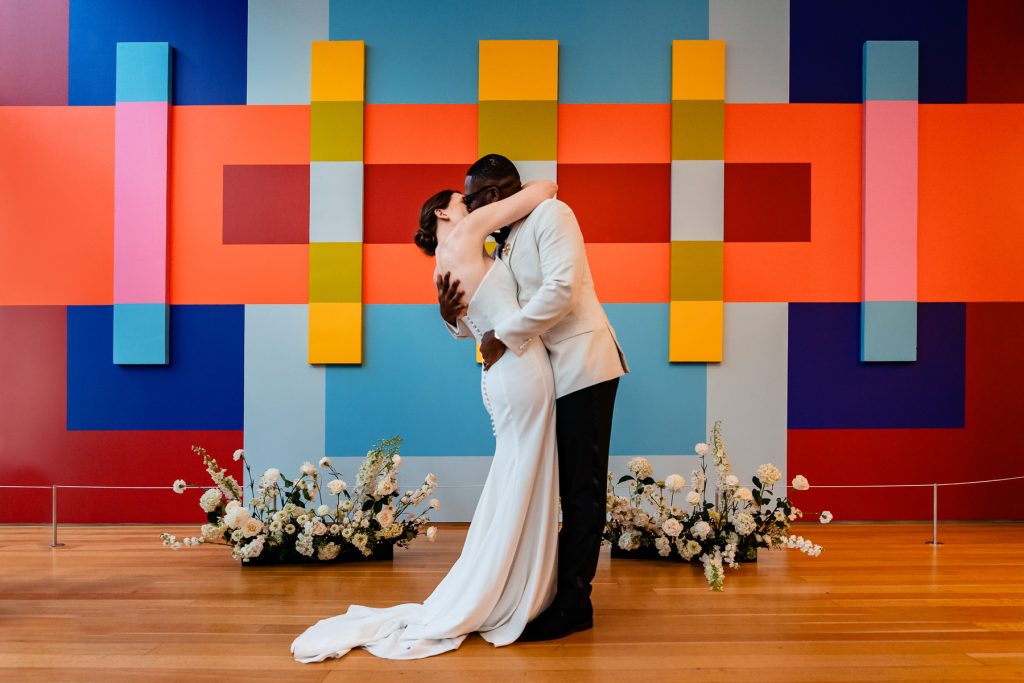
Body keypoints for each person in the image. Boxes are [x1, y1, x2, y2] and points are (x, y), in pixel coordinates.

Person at [291, 180, 561, 662]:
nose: (474, 204)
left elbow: (461, 325)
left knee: (515, 474)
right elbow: (545, 188)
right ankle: (515, 590)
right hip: (518, 366)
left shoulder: (443, 260)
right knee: (524, 475)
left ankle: (503, 583)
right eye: (464, 199)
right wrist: (508, 195)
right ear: (442, 212)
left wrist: (451, 318)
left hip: (497, 374)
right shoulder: (471, 230)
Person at [439, 154, 628, 642]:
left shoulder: (552, 215)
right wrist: (452, 315)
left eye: (475, 197)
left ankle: (574, 604)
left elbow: (562, 289)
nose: (474, 209)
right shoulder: (501, 247)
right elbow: (481, 317)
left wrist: (503, 333)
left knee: (582, 490)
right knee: (557, 490)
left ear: (496, 194)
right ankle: (543, 593)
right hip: (547, 376)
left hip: (584, 367)